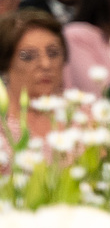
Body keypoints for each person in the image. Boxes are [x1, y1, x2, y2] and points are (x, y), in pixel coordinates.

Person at [0, 8, 66, 142]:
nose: (46, 64)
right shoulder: (3, 128)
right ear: (5, 64)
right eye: (28, 56)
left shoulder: (86, 117)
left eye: (53, 53)